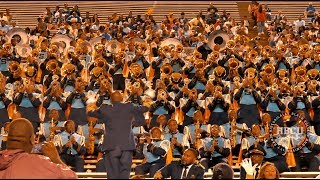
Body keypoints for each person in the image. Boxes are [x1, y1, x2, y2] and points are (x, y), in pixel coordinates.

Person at [87, 91, 149, 179]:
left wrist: (90, 107)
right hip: (126, 146)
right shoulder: (129, 106)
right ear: (122, 99)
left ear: (111, 100)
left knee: (112, 174)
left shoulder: (105, 108)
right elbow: (144, 109)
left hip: (111, 146)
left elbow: (91, 113)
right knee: (125, 173)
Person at [0, 118, 77, 178]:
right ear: (32, 140)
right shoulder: (42, 163)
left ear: (7, 139)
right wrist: (56, 159)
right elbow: (71, 177)